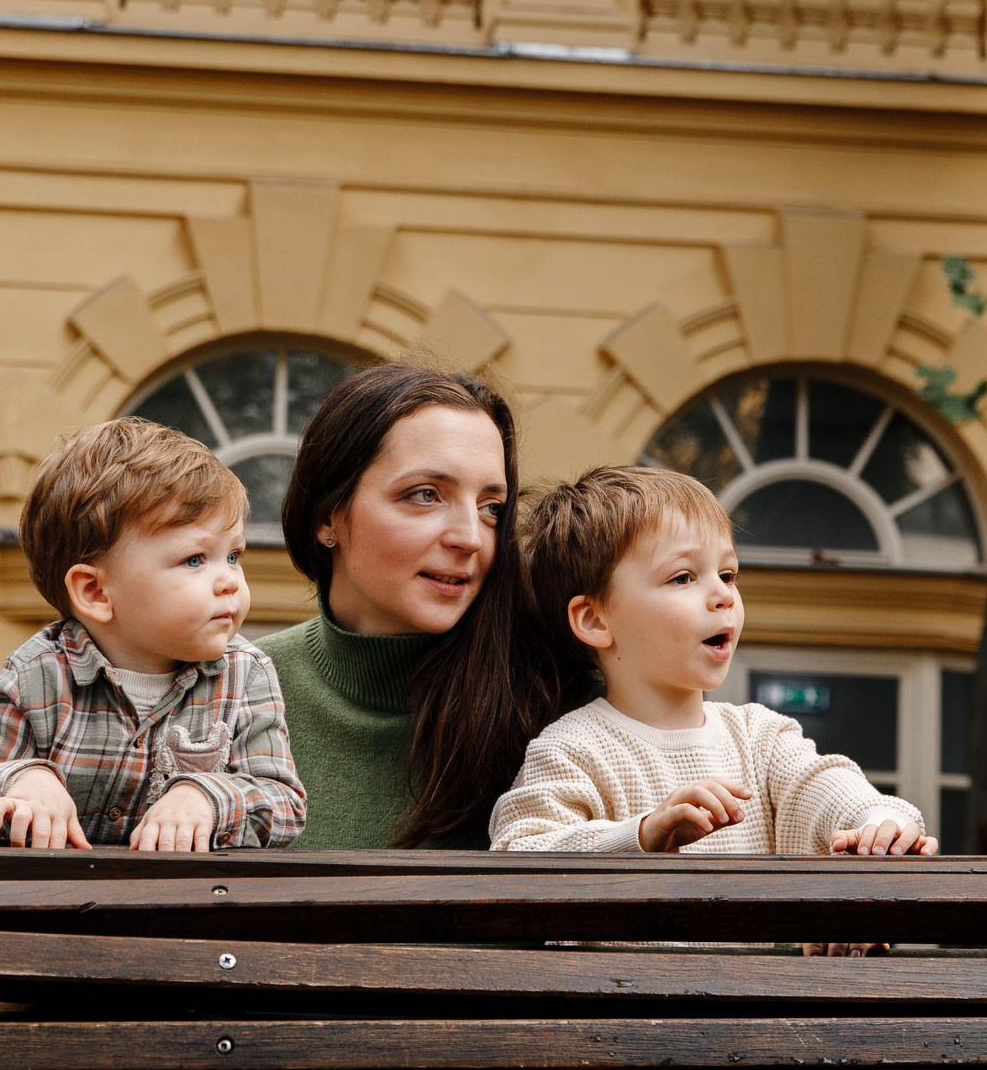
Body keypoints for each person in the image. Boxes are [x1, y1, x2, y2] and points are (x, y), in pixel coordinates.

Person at [490, 465, 935, 856]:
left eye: (727, 574)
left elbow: (823, 784)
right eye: (683, 577)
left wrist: (878, 821)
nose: (723, 594)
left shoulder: (759, 737)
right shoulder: (571, 749)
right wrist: (642, 835)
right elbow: (520, 849)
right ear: (594, 619)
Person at [262, 363, 593, 849]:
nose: (470, 538)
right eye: (425, 495)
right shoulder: (232, 694)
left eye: (491, 508)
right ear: (327, 515)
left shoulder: (571, 701)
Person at [0, 418, 305, 850]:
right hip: (57, 893)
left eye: (233, 556)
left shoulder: (246, 675)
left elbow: (284, 803)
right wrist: (21, 781)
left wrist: (207, 797)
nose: (229, 581)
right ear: (95, 592)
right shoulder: (36, 677)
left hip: (186, 892)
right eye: (194, 560)